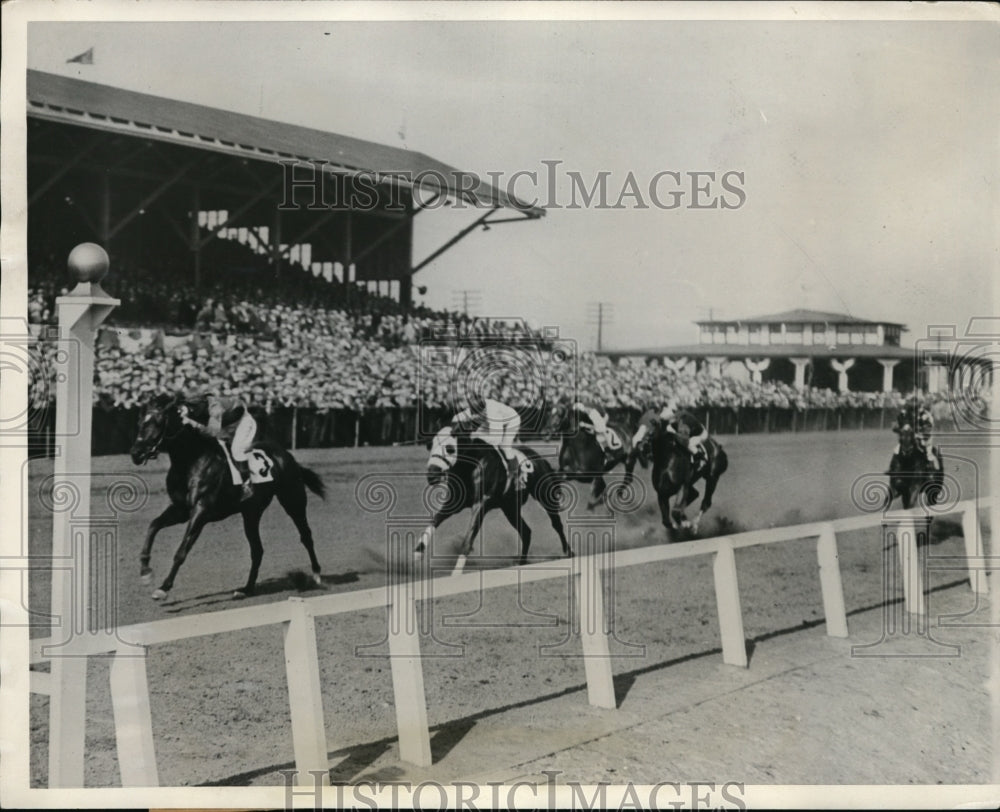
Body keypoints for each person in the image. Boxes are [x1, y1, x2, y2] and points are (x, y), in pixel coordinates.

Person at [178, 395, 258, 500]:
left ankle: (248, 484)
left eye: (192, 407)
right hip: (226, 424)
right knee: (216, 448)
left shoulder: (215, 409)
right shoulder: (199, 404)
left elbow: (212, 432)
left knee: (236, 451)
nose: (190, 410)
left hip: (242, 422)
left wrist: (192, 422)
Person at [451, 393, 522, 491]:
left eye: (477, 412)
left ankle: (517, 477)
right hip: (488, 420)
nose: (474, 414)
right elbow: (457, 417)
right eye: (473, 411)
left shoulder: (493, 411)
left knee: (505, 446)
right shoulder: (475, 407)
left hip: (511, 421)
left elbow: (495, 439)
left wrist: (474, 435)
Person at [633, 398, 710, 467]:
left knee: (689, 445)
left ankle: (702, 458)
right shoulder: (674, 417)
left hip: (700, 434)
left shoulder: (682, 422)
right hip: (690, 430)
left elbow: (684, 439)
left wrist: (673, 433)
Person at [890, 394, 938, 470]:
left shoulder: (924, 414)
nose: (913, 405)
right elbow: (897, 424)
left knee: (928, 452)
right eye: (911, 402)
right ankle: (893, 468)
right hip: (907, 437)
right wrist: (899, 429)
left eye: (915, 402)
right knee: (897, 450)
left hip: (922, 438)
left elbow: (928, 426)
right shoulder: (904, 414)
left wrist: (922, 432)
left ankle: (930, 470)